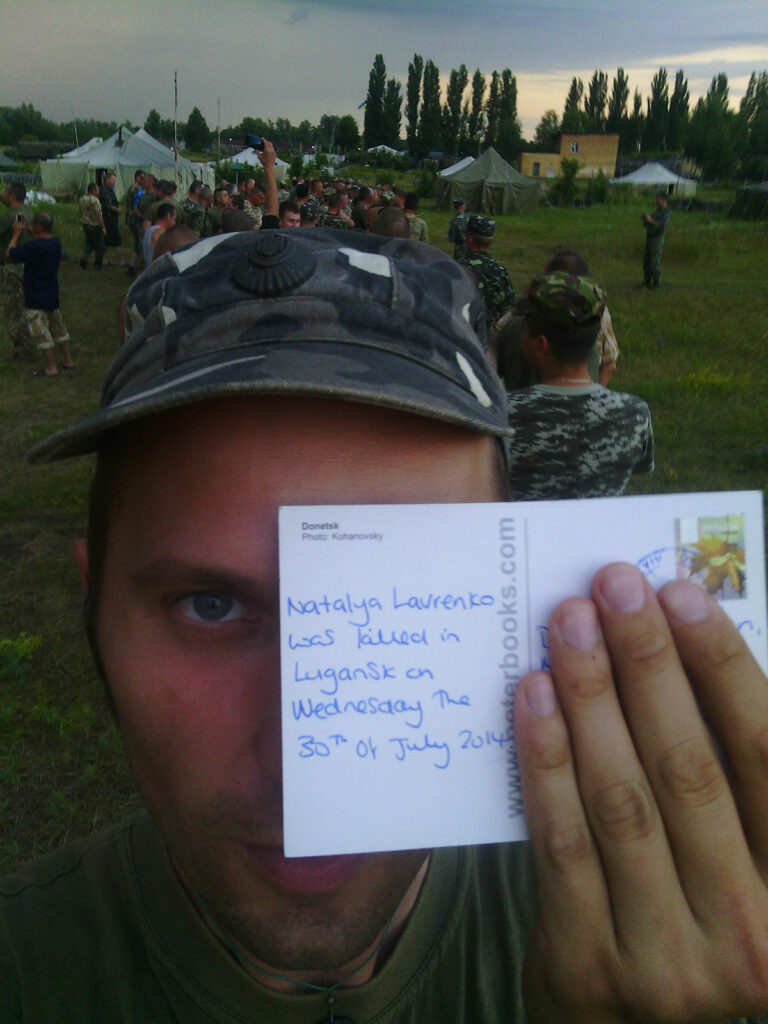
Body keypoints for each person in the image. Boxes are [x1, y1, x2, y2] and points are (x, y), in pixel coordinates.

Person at [4, 232, 768, 1024]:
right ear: (93, 609)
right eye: (210, 605)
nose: (302, 762)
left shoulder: (675, 941)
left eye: (409, 596)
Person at [505, 271, 653, 500]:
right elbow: (640, 469)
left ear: (540, 345)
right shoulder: (634, 413)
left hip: (528, 534)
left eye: (524, 329)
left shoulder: (503, 415)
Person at [493, 251, 619, 390]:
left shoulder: (528, 308)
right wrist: (597, 397)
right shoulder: (596, 311)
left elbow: (497, 337)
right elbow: (609, 364)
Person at [6, 209, 74, 377]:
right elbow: (41, 244)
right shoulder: (55, 243)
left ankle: (51, 367)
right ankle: (68, 360)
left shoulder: (32, 247)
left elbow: (10, 253)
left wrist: (16, 234)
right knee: (58, 327)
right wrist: (31, 231)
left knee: (41, 332)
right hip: (51, 292)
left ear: (37, 226)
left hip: (35, 296)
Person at [457, 215, 515, 331]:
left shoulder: (458, 268)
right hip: (490, 338)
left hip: (463, 335)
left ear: (469, 239)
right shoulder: (500, 271)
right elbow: (508, 308)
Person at [0, 182, 33, 360]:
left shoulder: (8, 219)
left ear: (12, 196)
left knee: (14, 309)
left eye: (5, 192)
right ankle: (34, 339)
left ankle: (22, 348)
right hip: (27, 265)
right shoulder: (26, 214)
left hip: (11, 266)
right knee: (27, 305)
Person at [642, 190, 671, 288]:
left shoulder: (666, 212)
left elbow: (662, 225)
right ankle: (647, 281)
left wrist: (651, 220)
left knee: (654, 262)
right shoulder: (657, 211)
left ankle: (656, 282)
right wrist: (646, 219)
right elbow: (650, 223)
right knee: (647, 261)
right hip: (650, 237)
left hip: (657, 239)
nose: (656, 201)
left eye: (658, 199)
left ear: (663, 200)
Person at [99, 171, 126, 267]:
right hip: (109, 219)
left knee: (106, 240)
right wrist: (117, 209)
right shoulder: (105, 190)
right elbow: (107, 205)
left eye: (115, 180)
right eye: (113, 180)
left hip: (109, 218)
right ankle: (121, 261)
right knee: (116, 240)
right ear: (107, 180)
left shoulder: (108, 190)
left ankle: (104, 260)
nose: (115, 182)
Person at [79, 182, 107, 270]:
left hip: (85, 224)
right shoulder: (95, 200)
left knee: (89, 243)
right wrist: (103, 227)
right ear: (93, 191)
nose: (99, 192)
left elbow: (80, 210)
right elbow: (99, 214)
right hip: (95, 225)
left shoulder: (82, 199)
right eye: (97, 190)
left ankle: (84, 257)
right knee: (100, 246)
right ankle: (98, 265)